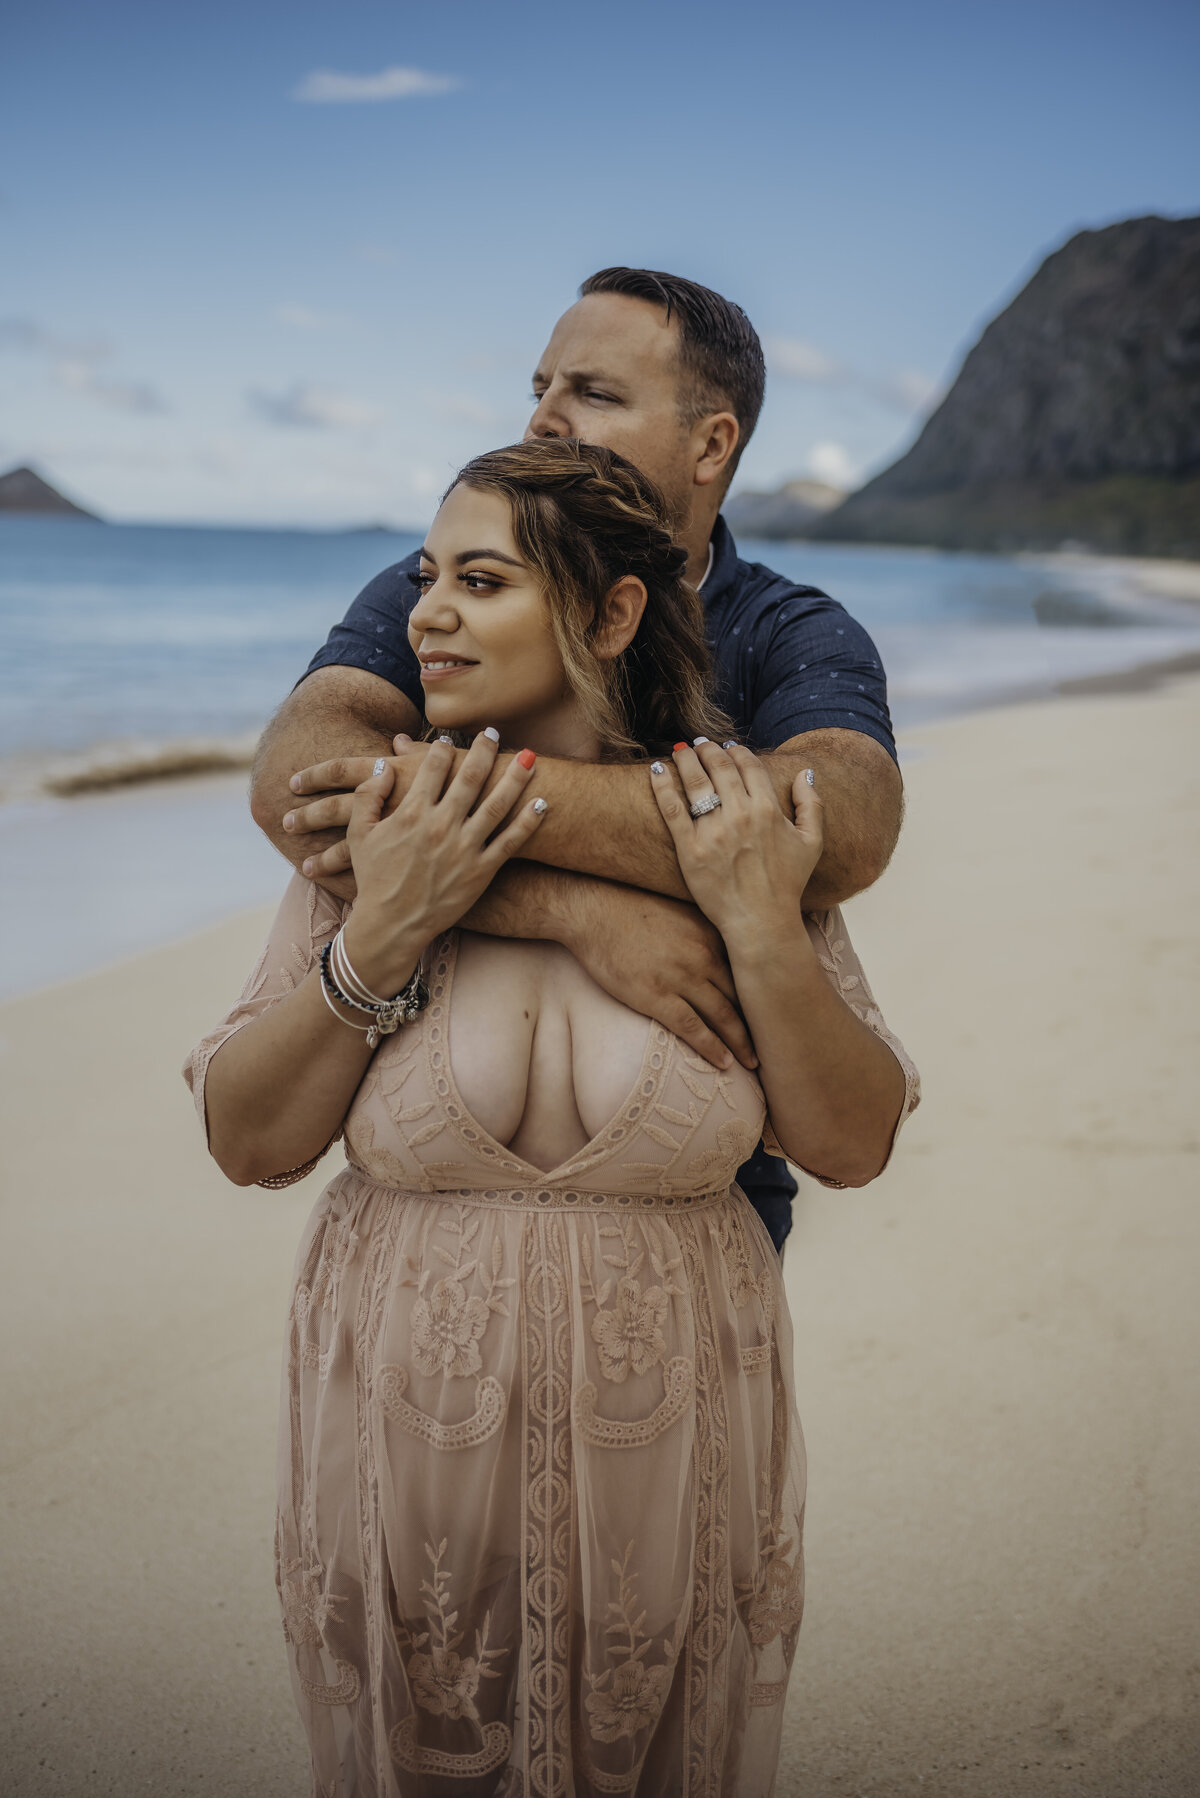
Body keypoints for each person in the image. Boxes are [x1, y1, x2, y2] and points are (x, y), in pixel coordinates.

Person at [186, 440, 919, 1796]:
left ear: (610, 613)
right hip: (409, 1448)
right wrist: (384, 938)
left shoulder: (726, 831)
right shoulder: (385, 836)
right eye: (424, 579)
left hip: (669, 1443)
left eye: (480, 580)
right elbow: (246, 1139)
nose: (426, 615)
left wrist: (760, 928)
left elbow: (854, 1140)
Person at [249, 268, 904, 1254]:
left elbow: (840, 831)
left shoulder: (790, 629)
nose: (543, 421)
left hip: (700, 1186)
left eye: (591, 394)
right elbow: (302, 779)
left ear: (712, 443)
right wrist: (579, 911)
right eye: (540, 389)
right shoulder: (441, 588)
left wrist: (439, 814)